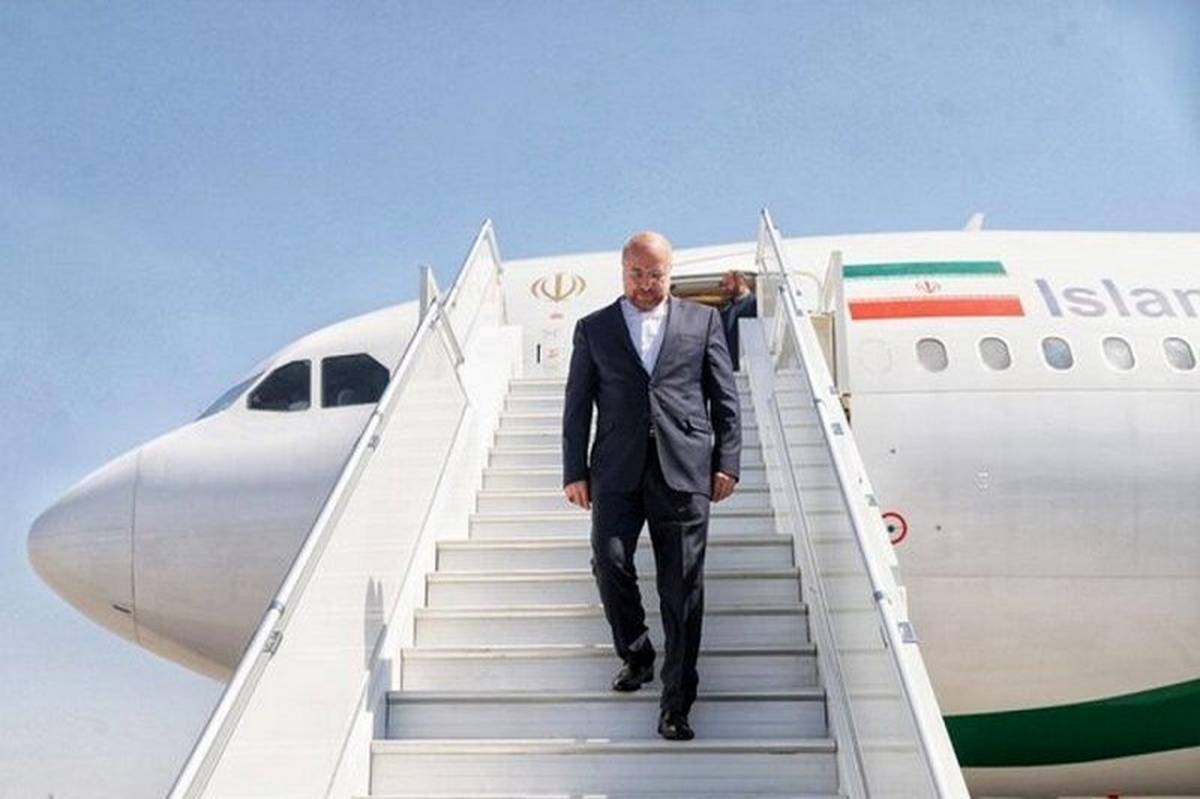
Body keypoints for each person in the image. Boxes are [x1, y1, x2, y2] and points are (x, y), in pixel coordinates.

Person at [562, 231, 741, 741]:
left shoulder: (703, 321)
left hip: (684, 469)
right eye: (637, 274)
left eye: (655, 275)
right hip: (615, 469)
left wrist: (727, 461)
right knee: (609, 561)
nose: (646, 283)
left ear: (669, 272)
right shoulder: (593, 328)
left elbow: (725, 398)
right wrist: (574, 470)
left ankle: (676, 703)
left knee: (682, 588)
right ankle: (637, 652)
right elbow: (577, 405)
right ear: (624, 271)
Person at [717, 269, 757, 371]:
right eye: (722, 285)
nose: (723, 289)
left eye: (727, 284)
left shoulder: (755, 304)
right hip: (731, 366)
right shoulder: (726, 310)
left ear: (739, 282)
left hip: (750, 365)